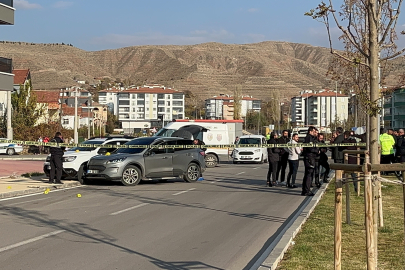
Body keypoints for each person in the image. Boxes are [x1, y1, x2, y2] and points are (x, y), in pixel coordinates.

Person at [301, 126, 318, 196]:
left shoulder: (311, 138)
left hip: (310, 157)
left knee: (308, 174)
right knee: (309, 174)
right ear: (310, 131)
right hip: (309, 157)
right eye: (314, 131)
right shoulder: (309, 138)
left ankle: (305, 190)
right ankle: (306, 190)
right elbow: (310, 148)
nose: (315, 133)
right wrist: (317, 151)